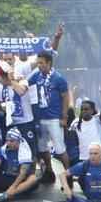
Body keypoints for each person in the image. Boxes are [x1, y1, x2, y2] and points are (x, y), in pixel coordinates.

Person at [27, 50, 71, 184]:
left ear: (49, 63)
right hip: (40, 118)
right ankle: (49, 172)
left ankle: (68, 176)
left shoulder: (58, 78)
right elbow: (26, 84)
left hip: (54, 118)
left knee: (60, 149)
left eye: (41, 63)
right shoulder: (36, 77)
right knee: (42, 148)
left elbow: (65, 97)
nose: (39, 65)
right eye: (38, 63)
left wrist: (64, 117)